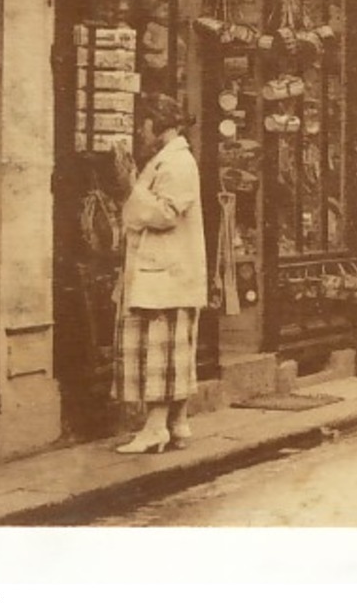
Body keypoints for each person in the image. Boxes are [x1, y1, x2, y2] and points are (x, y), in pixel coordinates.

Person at [112, 93, 206, 455]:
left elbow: (166, 214)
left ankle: (155, 428)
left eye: (144, 124)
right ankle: (178, 424)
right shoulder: (169, 159)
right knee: (173, 353)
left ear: (159, 125)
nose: (140, 131)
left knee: (159, 355)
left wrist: (129, 189)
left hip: (166, 274)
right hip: (168, 274)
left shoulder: (178, 163)